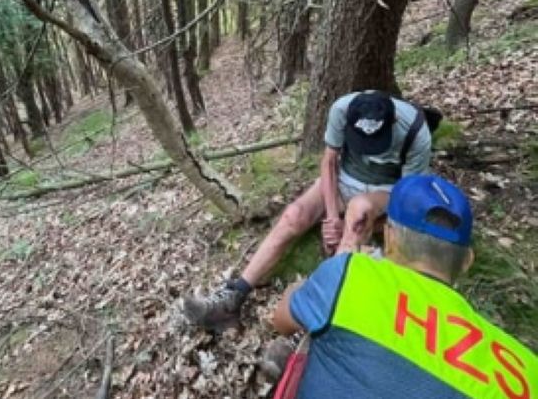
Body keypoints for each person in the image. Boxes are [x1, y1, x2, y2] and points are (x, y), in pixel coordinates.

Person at [184, 90, 433, 330]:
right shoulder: (342, 110)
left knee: (358, 212)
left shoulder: (415, 131)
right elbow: (329, 161)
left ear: (394, 123)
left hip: (385, 190)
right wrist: (333, 217)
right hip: (344, 180)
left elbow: (406, 199)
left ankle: (316, 320)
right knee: (294, 215)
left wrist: (362, 224)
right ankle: (232, 298)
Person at [269, 174, 536, 398]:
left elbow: (281, 320)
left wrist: (314, 282)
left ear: (389, 238)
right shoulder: (526, 372)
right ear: (467, 261)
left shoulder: (350, 273)